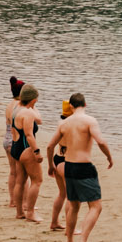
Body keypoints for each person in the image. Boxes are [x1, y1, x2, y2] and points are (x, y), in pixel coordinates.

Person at [38, 93, 113, 242]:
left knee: (73, 204)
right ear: (85, 104)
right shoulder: (90, 121)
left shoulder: (64, 123)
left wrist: (50, 165)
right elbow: (100, 141)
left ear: (71, 106)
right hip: (84, 166)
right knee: (96, 206)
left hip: (69, 166)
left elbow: (50, 146)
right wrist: (109, 157)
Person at [11, 84, 45, 221]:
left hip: (16, 147)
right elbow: (29, 135)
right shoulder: (28, 113)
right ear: (33, 99)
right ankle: (30, 212)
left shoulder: (16, 109)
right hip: (26, 148)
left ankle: (19, 212)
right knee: (37, 181)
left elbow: (38, 121)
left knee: (20, 180)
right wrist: (36, 151)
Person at [45, 99, 72, 231]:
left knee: (62, 193)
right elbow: (49, 146)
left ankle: (54, 222)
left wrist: (50, 164)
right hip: (67, 161)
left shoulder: (60, 123)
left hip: (58, 158)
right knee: (71, 197)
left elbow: (51, 147)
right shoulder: (71, 125)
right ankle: (69, 228)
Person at [3, 76, 27, 213]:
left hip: (6, 139)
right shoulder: (20, 106)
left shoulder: (9, 104)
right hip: (16, 140)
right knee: (23, 174)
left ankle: (12, 200)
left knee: (13, 171)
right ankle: (23, 202)